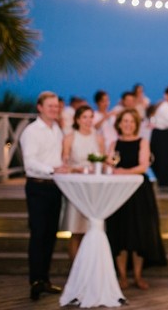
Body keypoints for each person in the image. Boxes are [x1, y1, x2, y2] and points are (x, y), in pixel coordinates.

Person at [106, 109, 167, 290]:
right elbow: (109, 163)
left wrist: (122, 171)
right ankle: (122, 276)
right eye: (125, 121)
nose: (128, 124)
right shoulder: (113, 143)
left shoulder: (143, 142)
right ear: (119, 124)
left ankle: (138, 276)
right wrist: (109, 165)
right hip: (118, 192)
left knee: (140, 233)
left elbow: (143, 166)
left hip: (139, 192)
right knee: (120, 233)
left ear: (136, 124)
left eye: (131, 121)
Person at [20, 91, 70, 300]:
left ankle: (46, 279)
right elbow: (29, 163)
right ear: (40, 107)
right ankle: (36, 281)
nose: (54, 109)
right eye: (50, 106)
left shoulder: (57, 129)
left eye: (56, 106)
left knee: (51, 234)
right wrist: (53, 169)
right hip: (38, 186)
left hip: (55, 187)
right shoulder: (31, 132)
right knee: (39, 234)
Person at [60, 105, 105, 262]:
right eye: (84, 117)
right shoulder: (70, 138)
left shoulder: (98, 138)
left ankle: (93, 265)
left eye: (90, 117)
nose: (88, 120)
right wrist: (76, 169)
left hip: (94, 187)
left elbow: (104, 162)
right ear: (77, 120)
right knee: (76, 230)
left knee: (94, 228)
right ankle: (75, 269)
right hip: (76, 187)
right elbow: (64, 164)